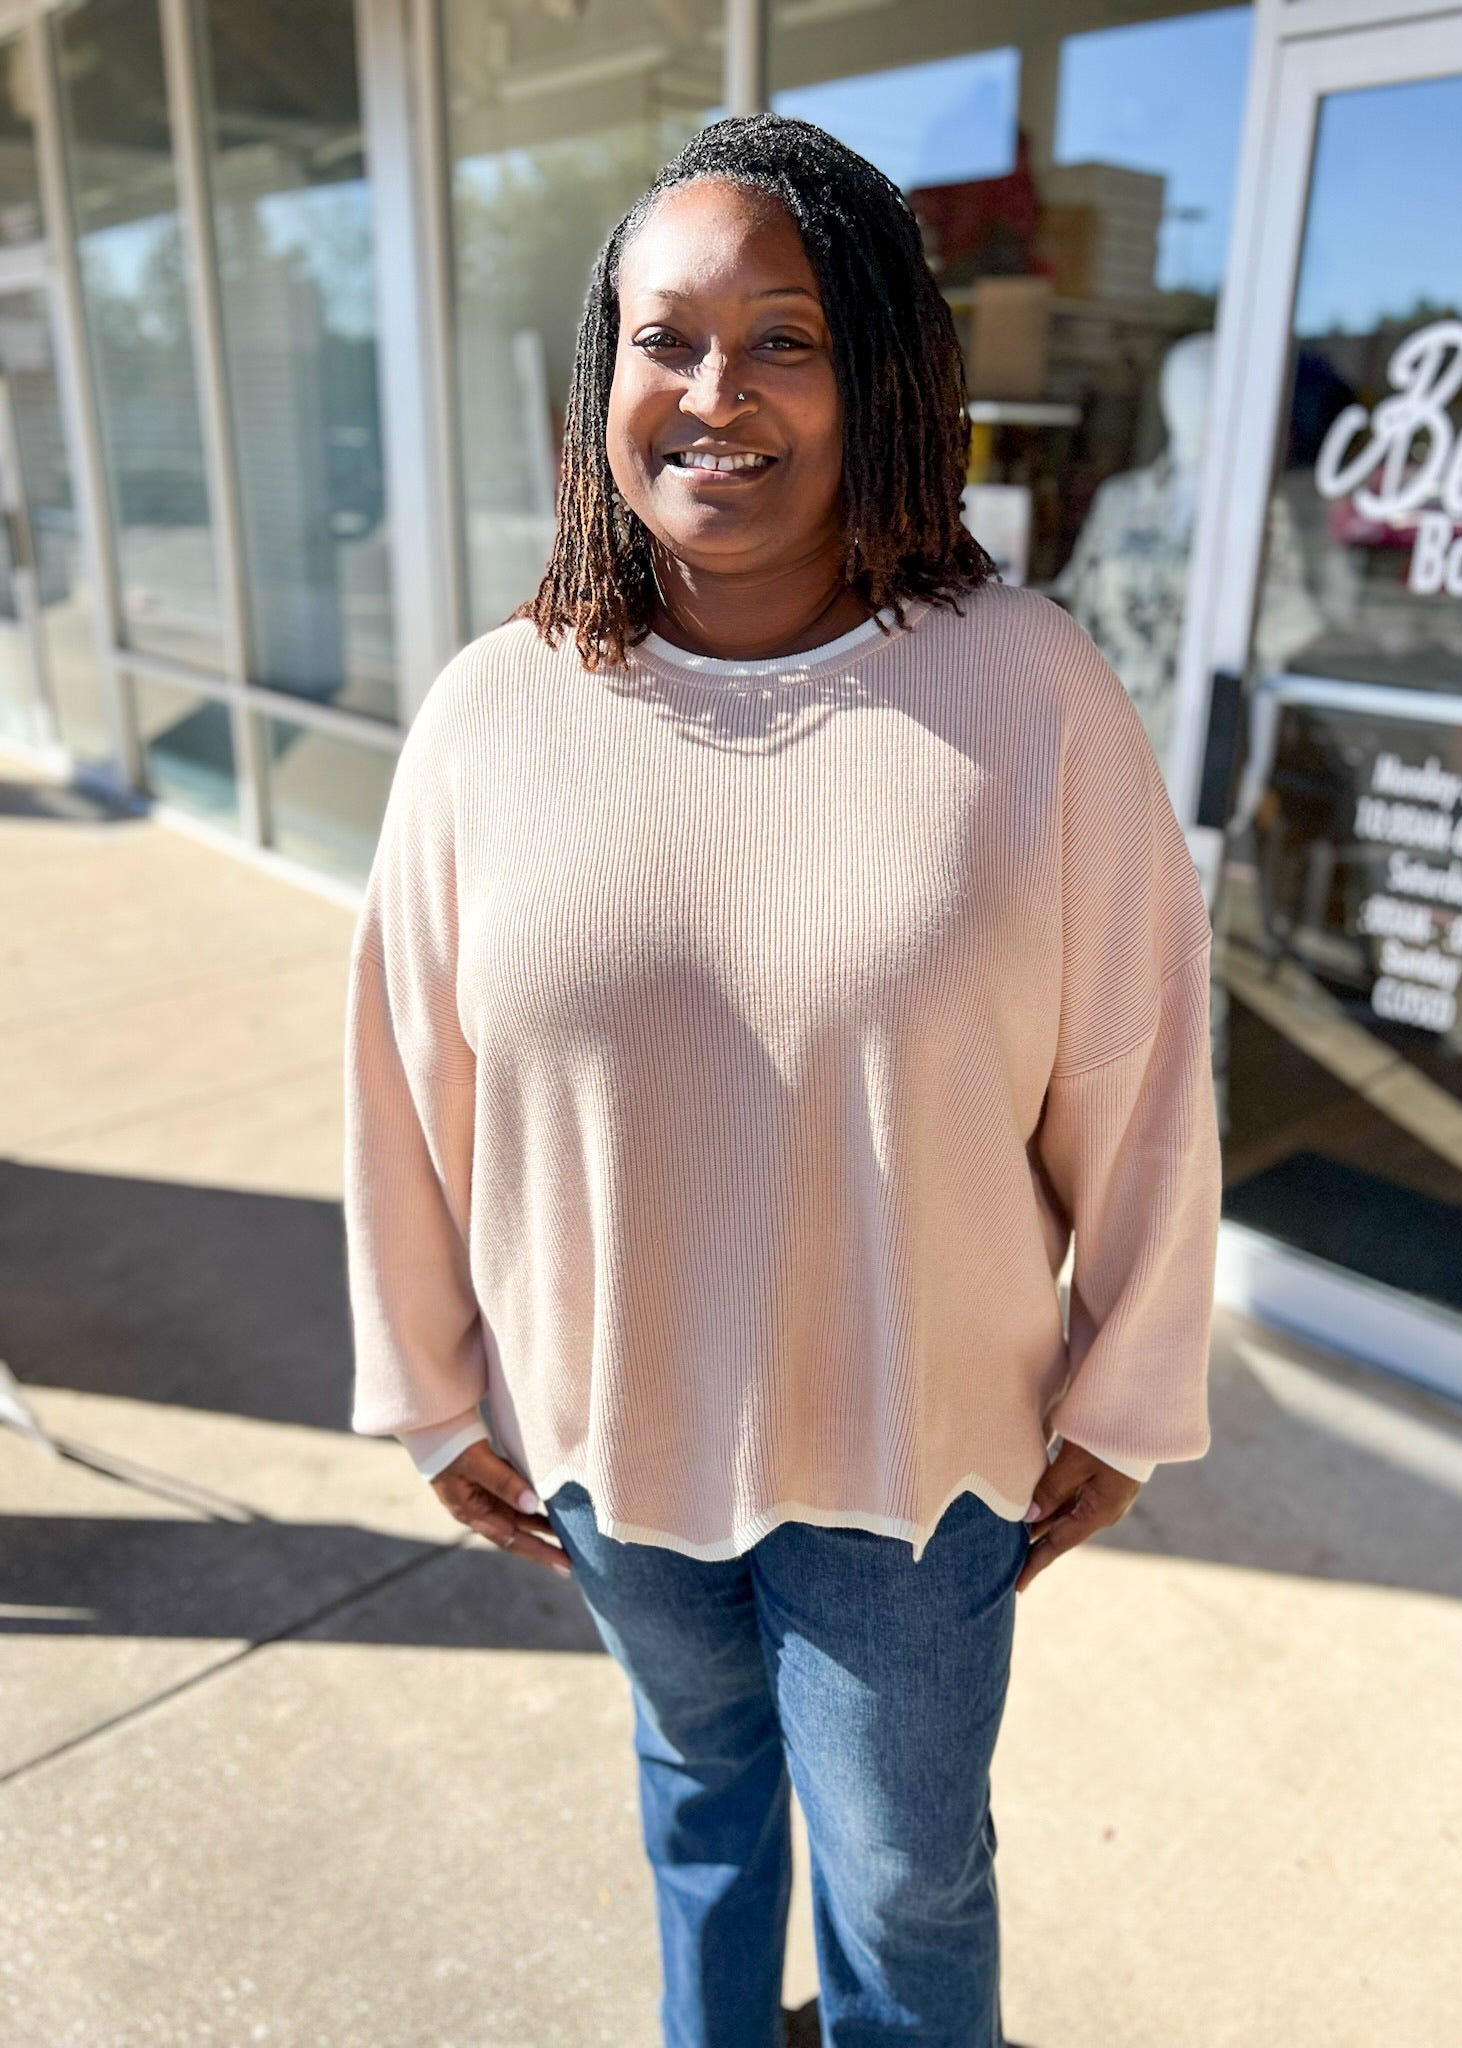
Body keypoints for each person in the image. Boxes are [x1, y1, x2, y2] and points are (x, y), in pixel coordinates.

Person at [342, 113, 1222, 2048]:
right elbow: (409, 1068)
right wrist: (423, 1383)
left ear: (883, 374)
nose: (713, 393)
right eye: (665, 339)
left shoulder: (1024, 686)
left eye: (786, 338)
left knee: (906, 1878)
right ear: (606, 379)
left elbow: (1141, 1064)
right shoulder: (497, 709)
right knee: (701, 1805)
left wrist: (1134, 1381)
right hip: (602, 1437)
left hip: (912, 1458)